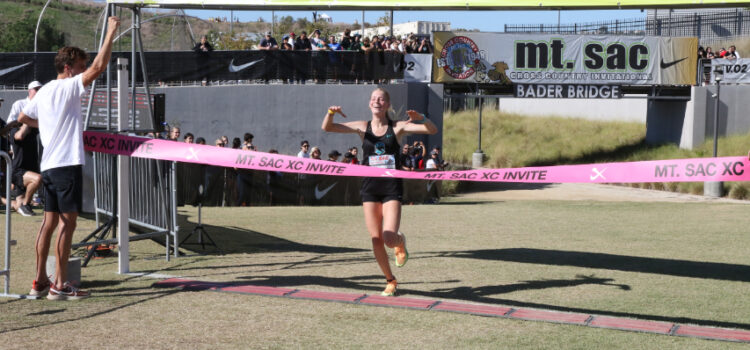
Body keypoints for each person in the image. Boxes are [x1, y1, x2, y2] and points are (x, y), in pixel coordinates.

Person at [18, 16, 121, 301]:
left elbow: (23, 118)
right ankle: (59, 286)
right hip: (65, 165)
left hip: (49, 166)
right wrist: (111, 32)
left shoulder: (45, 90)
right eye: (80, 66)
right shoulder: (66, 86)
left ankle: (39, 282)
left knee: (48, 224)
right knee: (67, 224)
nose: (84, 70)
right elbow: (100, 68)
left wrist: (48, 125)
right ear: (68, 67)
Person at [322, 88, 437, 296]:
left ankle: (400, 241)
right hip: (369, 188)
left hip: (391, 188)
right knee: (375, 239)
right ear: (369, 103)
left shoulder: (398, 127)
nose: (377, 101)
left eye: (381, 99)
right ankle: (390, 280)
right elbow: (327, 128)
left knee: (388, 238)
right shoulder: (361, 127)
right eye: (374, 98)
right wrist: (331, 113)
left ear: (387, 104)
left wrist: (423, 118)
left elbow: (431, 130)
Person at [9, 120, 42, 216]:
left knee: (17, 205)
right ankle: (26, 204)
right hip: (19, 171)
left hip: (30, 170)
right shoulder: (14, 130)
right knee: (38, 179)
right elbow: (20, 136)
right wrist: (26, 122)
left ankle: (21, 204)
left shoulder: (33, 130)